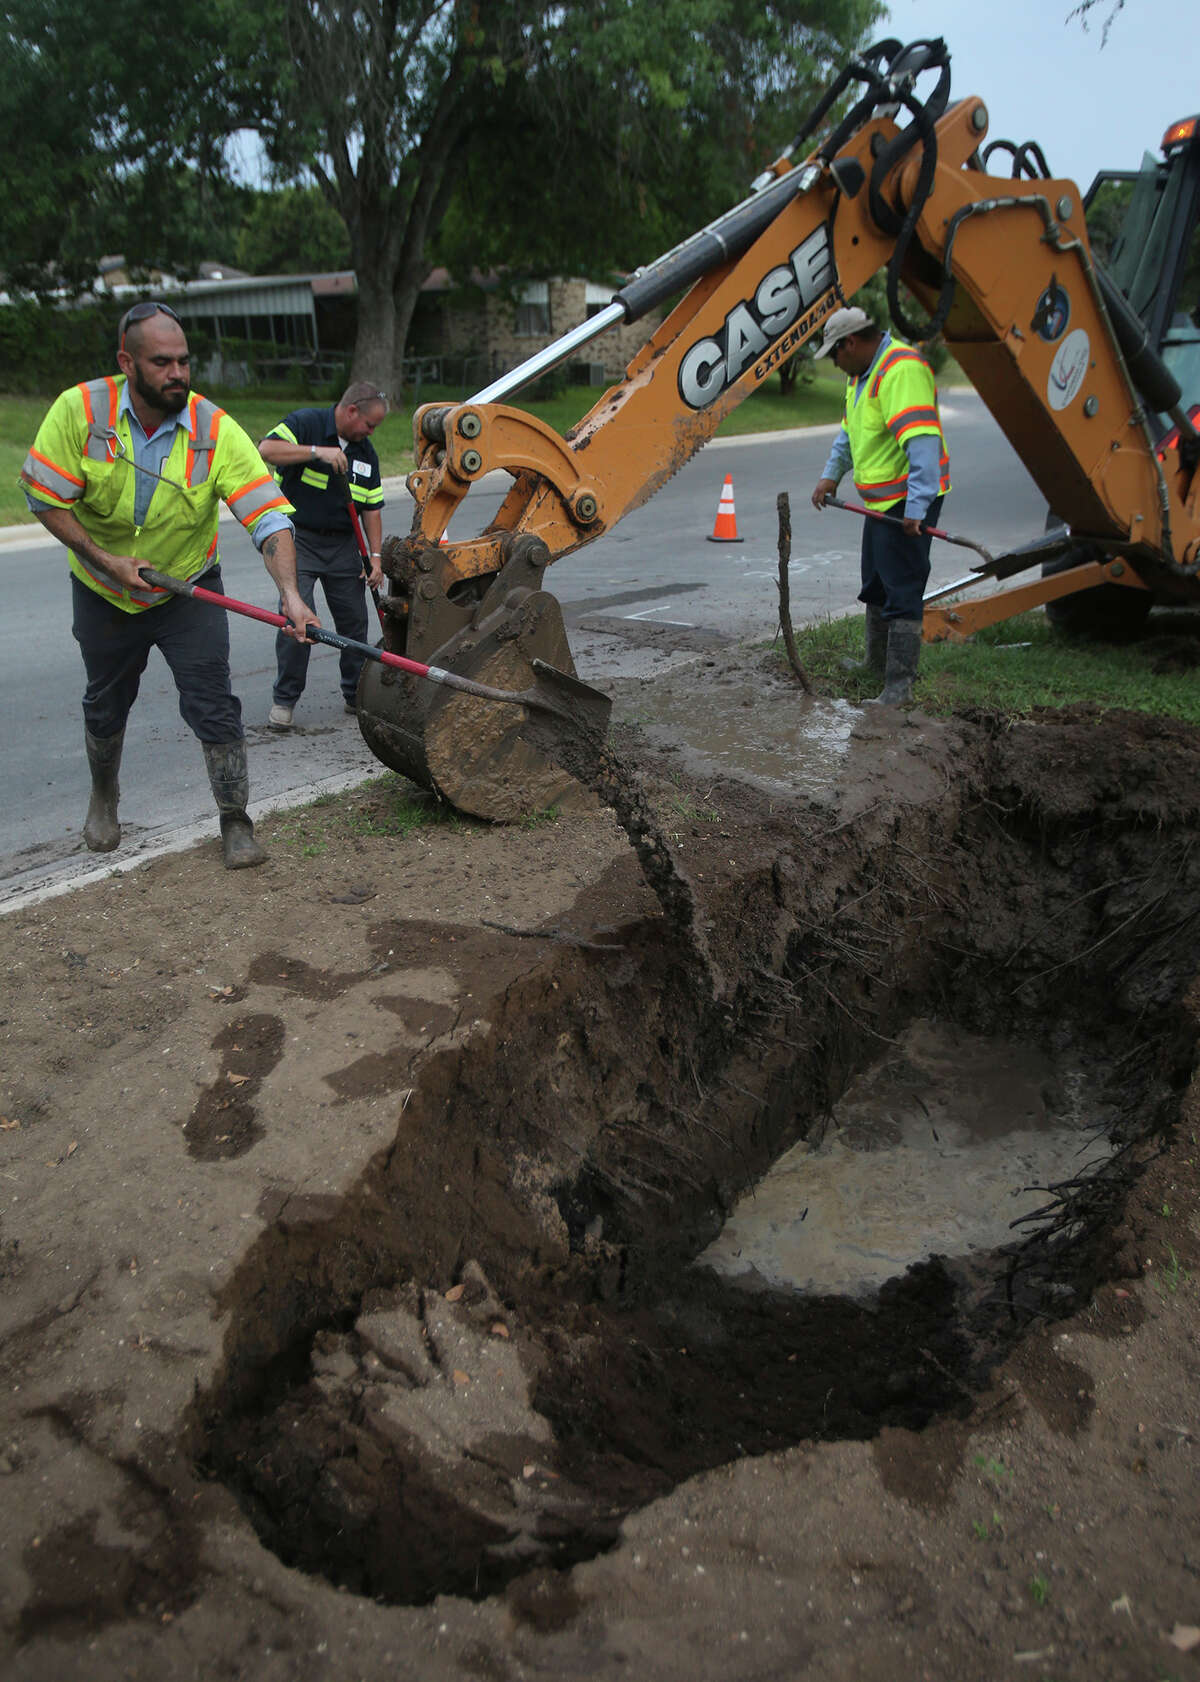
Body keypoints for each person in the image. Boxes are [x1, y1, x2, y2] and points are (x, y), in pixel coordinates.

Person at [20, 300, 320, 869]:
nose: (178, 373)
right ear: (127, 364)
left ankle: (235, 819)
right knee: (105, 706)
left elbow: (268, 516)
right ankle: (104, 793)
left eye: (183, 361)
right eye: (162, 362)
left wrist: (291, 594)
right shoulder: (80, 411)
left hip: (187, 587)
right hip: (104, 590)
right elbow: (43, 496)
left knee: (214, 705)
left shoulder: (213, 427)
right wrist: (104, 559)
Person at [810, 306, 950, 705]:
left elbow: (922, 441)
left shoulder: (900, 370)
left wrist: (917, 508)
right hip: (881, 503)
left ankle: (899, 686)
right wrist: (830, 475)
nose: (834, 363)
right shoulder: (860, 377)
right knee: (875, 579)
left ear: (850, 343)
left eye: (834, 354)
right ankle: (875, 664)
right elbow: (848, 434)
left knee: (902, 584)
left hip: (908, 499)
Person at [258, 383, 387, 726]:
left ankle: (354, 695)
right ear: (351, 411)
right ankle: (284, 700)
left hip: (344, 545)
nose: (371, 433)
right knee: (298, 619)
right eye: (369, 425)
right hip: (298, 539)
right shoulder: (306, 424)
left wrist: (375, 557)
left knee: (354, 623)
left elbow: (372, 509)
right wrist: (318, 452)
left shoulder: (366, 453)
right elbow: (266, 450)